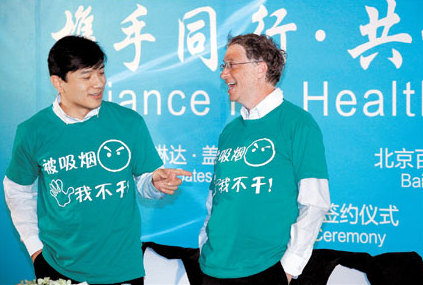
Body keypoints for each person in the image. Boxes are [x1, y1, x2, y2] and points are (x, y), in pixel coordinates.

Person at [3, 35, 191, 285]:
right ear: (58, 82)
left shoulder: (128, 122)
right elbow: (18, 191)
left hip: (122, 267)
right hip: (58, 266)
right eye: (86, 76)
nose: (99, 83)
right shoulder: (33, 131)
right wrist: (35, 248)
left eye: (101, 72)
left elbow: (145, 181)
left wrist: (156, 183)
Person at [199, 34, 331, 285]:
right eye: (222, 66)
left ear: (260, 68)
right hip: (214, 268)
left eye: (231, 64)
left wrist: (289, 268)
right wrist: (206, 244)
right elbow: (216, 199)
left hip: (265, 269)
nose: (223, 74)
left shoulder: (298, 124)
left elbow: (315, 203)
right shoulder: (230, 131)